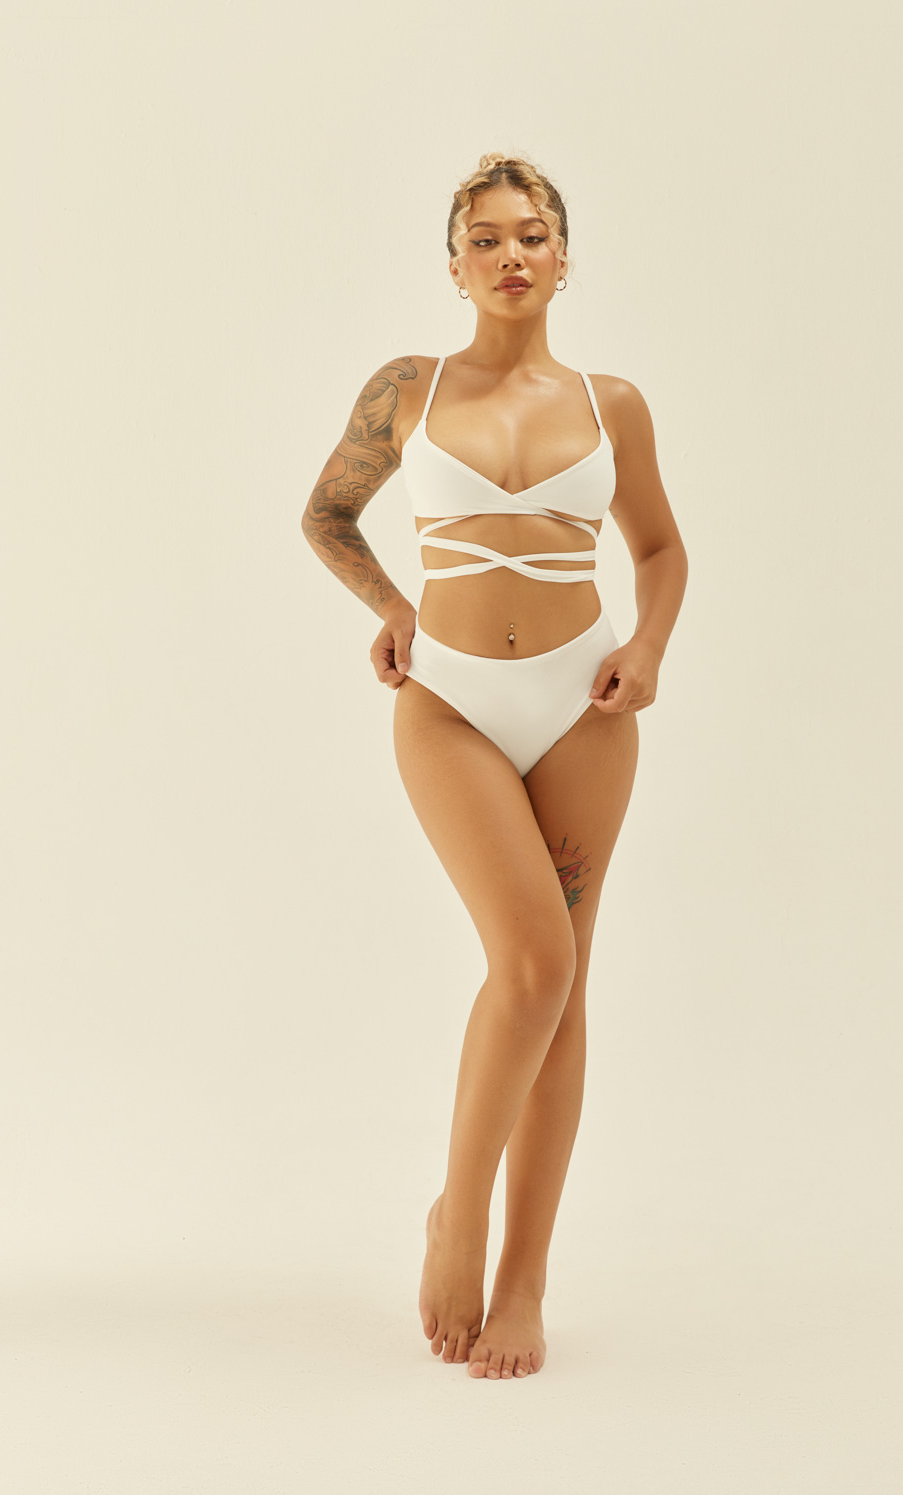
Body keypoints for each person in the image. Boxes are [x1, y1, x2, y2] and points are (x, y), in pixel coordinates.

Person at [301, 151, 688, 1380]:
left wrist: (647, 645)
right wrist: (392, 606)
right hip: (451, 702)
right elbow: (326, 514)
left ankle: (524, 1281)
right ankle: (456, 1215)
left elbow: (661, 547)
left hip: (583, 705)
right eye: (485, 237)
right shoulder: (407, 388)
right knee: (531, 960)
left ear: (563, 259)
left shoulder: (612, 402)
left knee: (562, 986)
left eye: (531, 235)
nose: (509, 254)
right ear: (454, 263)